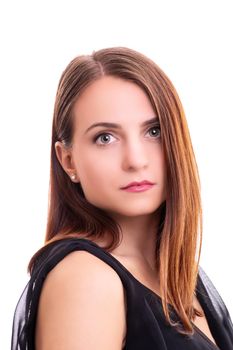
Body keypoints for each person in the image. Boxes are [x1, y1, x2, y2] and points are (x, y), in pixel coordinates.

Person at [11, 46, 233, 350]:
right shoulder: (86, 279)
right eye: (105, 138)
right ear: (68, 161)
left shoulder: (179, 276)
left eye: (154, 131)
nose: (135, 160)